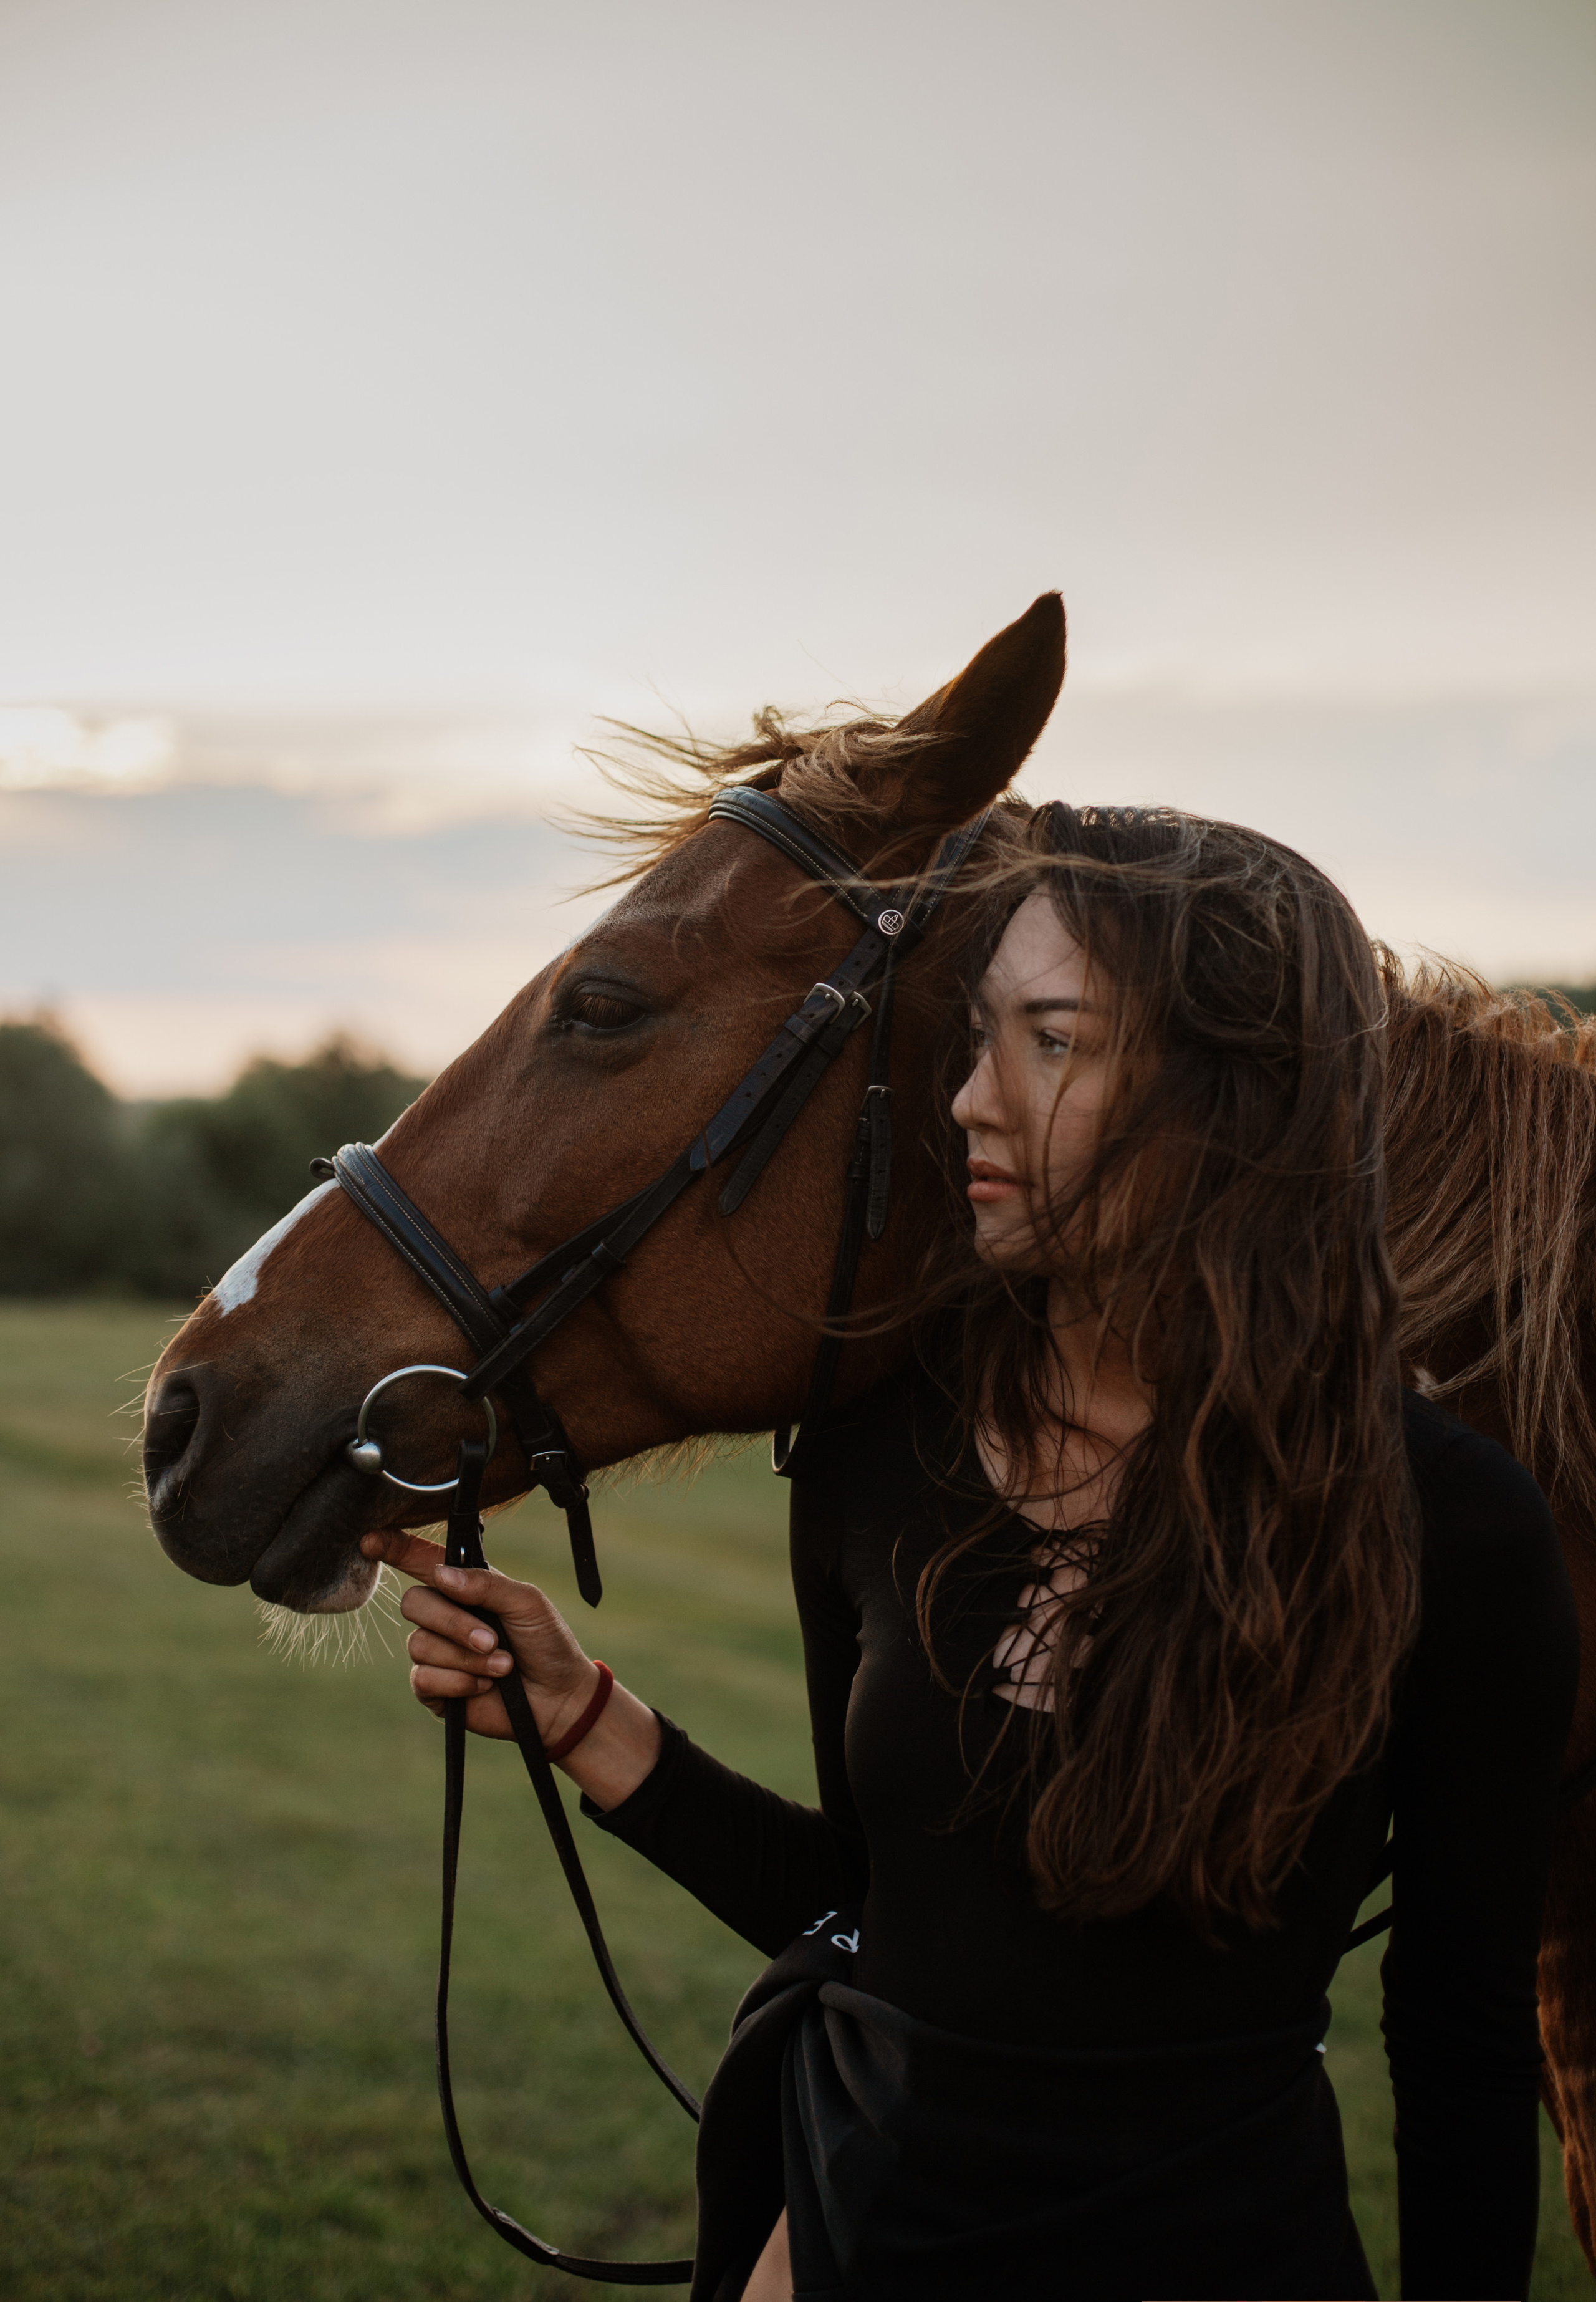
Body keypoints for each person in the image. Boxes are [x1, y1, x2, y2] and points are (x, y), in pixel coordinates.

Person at [366, 802, 1578, 2301]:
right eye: (976, 1037)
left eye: (1050, 1041)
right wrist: (582, 1719)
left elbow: (1458, 2040)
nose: (966, 1102)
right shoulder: (880, 1456)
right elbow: (892, 1921)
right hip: (850, 2245)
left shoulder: (1450, 1526)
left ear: (1237, 1095)